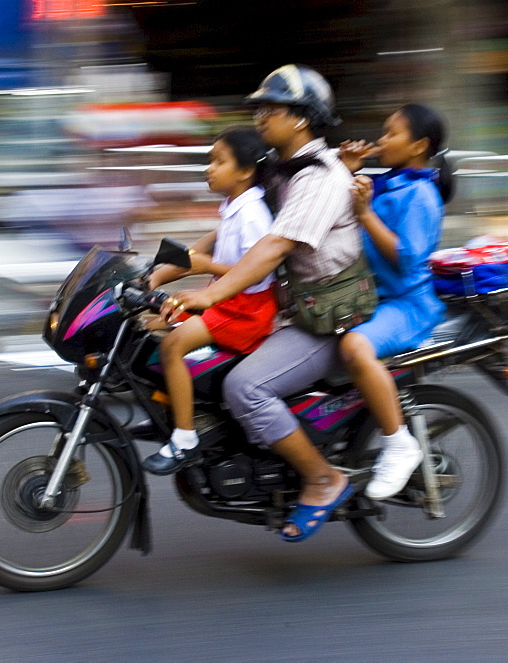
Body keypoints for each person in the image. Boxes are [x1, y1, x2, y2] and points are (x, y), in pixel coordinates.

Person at [164, 64, 363, 542]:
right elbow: (226, 226)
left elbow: (274, 246)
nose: (260, 118)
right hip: (291, 309)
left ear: (300, 118)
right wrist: (169, 266)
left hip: (324, 318)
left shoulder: (319, 179)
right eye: (258, 109)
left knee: (244, 388)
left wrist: (211, 292)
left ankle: (322, 478)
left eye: (269, 109)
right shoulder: (282, 169)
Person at [142, 126, 279, 475]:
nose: (209, 168)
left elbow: (257, 271)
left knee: (172, 345)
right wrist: (157, 274)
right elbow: (197, 251)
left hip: (246, 310)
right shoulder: (233, 206)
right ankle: (178, 412)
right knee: (150, 325)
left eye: (219, 161)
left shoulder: (253, 214)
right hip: (226, 302)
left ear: (246, 171)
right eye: (209, 160)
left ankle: (185, 437)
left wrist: (206, 266)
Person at [336, 104, 451, 500]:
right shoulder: (390, 183)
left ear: (418, 145)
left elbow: (406, 259)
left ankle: (398, 442)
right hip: (369, 298)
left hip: (406, 304)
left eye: (392, 134)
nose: (381, 141)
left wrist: (365, 214)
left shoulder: (420, 193)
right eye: (382, 133)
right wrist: (348, 170)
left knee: (355, 346)